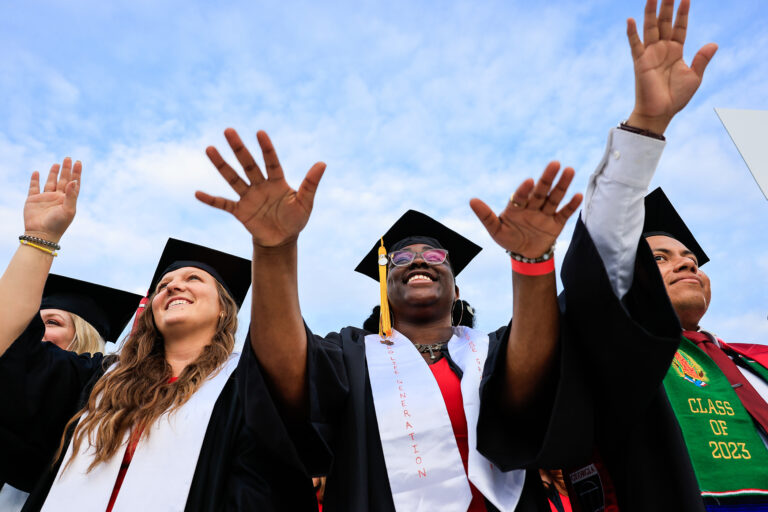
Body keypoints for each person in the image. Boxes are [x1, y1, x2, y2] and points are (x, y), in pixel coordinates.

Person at [196, 122, 586, 511]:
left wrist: (532, 263)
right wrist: (275, 249)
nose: (418, 260)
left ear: (457, 288)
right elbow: (284, 374)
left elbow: (534, 383)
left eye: (435, 257)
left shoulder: (493, 351)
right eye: (400, 258)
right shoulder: (350, 354)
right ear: (385, 285)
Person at [523, 0, 765, 509]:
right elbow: (603, 257)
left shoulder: (757, 361)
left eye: (689, 256)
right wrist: (647, 126)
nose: (686, 261)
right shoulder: (616, 355)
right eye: (659, 257)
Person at [0, 158, 317, 511]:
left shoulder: (244, 388)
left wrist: (275, 247)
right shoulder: (97, 380)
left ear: (224, 308)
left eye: (193, 279)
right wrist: (40, 239)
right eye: (164, 284)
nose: (173, 286)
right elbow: (10, 347)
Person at [0, 273, 142, 512]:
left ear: (84, 334)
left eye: (53, 322)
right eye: (36, 322)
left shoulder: (98, 407)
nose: (36, 332)